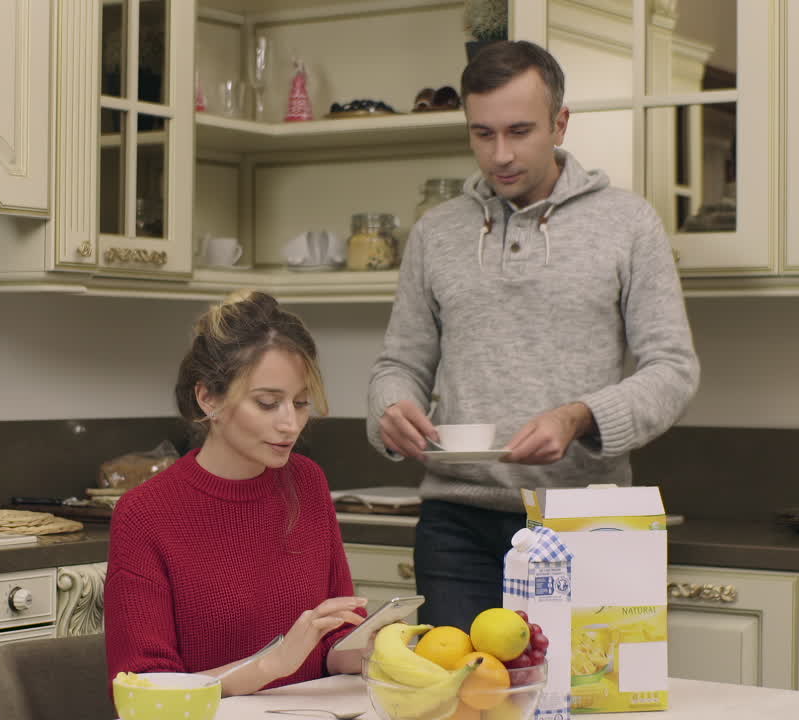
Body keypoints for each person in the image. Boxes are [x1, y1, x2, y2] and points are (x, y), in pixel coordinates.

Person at [366, 41, 700, 629]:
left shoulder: (627, 223)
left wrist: (578, 417)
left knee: (583, 705)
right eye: (482, 134)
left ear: (560, 123)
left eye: (519, 131)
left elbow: (672, 368)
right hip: (455, 524)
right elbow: (400, 362)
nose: (500, 155)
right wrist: (391, 406)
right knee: (462, 705)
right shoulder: (436, 233)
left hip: (583, 519)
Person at [105, 290, 367, 697]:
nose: (290, 424)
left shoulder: (307, 481)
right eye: (267, 403)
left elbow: (332, 642)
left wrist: (372, 646)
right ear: (208, 397)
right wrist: (273, 664)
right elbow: (146, 689)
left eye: (300, 403)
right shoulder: (145, 514)